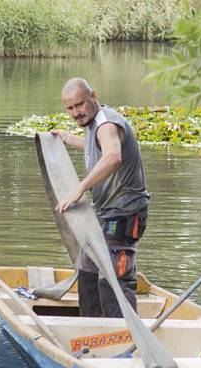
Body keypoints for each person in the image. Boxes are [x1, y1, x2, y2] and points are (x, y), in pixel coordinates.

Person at [53, 77, 149, 318]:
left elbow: (113, 156)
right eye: (70, 108)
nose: (76, 112)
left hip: (125, 213)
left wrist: (80, 188)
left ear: (93, 96)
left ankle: (123, 337)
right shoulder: (94, 126)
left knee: (113, 278)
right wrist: (66, 138)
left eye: (80, 105)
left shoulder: (107, 123)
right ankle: (90, 329)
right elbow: (94, 147)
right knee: (87, 271)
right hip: (105, 213)